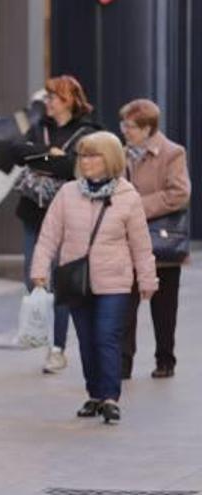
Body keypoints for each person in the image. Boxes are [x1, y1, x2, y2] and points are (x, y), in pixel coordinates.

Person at [31, 131, 157, 424]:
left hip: (114, 281)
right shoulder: (68, 193)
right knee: (87, 340)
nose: (85, 162)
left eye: (93, 155)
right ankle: (95, 394)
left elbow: (141, 244)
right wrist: (39, 270)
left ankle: (111, 398)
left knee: (106, 337)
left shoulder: (127, 197)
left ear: (110, 159)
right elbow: (49, 235)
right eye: (82, 155)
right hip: (77, 279)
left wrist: (148, 280)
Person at [13, 75, 101, 374]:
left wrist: (45, 159)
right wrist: (51, 157)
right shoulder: (41, 127)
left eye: (53, 97)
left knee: (61, 282)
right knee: (34, 277)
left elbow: (75, 169)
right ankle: (44, 334)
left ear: (68, 101)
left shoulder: (87, 132)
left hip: (66, 215)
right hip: (34, 213)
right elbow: (18, 153)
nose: (47, 102)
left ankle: (57, 348)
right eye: (47, 97)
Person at [119, 99, 191, 379]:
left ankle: (165, 359)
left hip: (162, 241)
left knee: (164, 306)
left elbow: (179, 194)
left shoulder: (172, 153)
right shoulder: (121, 153)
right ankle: (124, 362)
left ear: (148, 128)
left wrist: (137, 205)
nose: (125, 130)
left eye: (131, 126)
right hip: (128, 242)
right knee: (125, 303)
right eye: (123, 124)